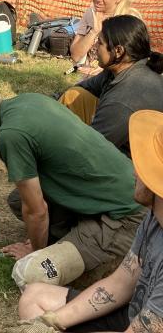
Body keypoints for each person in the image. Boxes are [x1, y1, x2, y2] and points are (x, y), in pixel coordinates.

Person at [0, 70, 146, 290]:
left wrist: (35, 251)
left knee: (31, 273)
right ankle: (78, 231)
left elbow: (36, 211)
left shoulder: (11, 135)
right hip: (124, 187)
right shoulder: (28, 100)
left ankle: (104, 248)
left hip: (126, 215)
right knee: (17, 200)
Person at [14, 110, 163, 333]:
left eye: (142, 166)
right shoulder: (154, 218)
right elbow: (120, 283)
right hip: (135, 313)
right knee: (33, 296)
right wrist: (52, 321)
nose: (133, 172)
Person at [59, 15, 163, 157]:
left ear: (118, 51)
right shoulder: (120, 69)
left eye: (100, 43)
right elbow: (85, 87)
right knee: (75, 95)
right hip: (123, 148)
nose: (94, 46)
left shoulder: (122, 100)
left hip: (139, 170)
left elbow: (91, 150)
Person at [69, 0, 141, 77]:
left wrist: (105, 69)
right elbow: (75, 56)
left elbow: (136, 63)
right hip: (89, 80)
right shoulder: (90, 13)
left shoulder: (130, 20)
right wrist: (94, 31)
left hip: (117, 82)